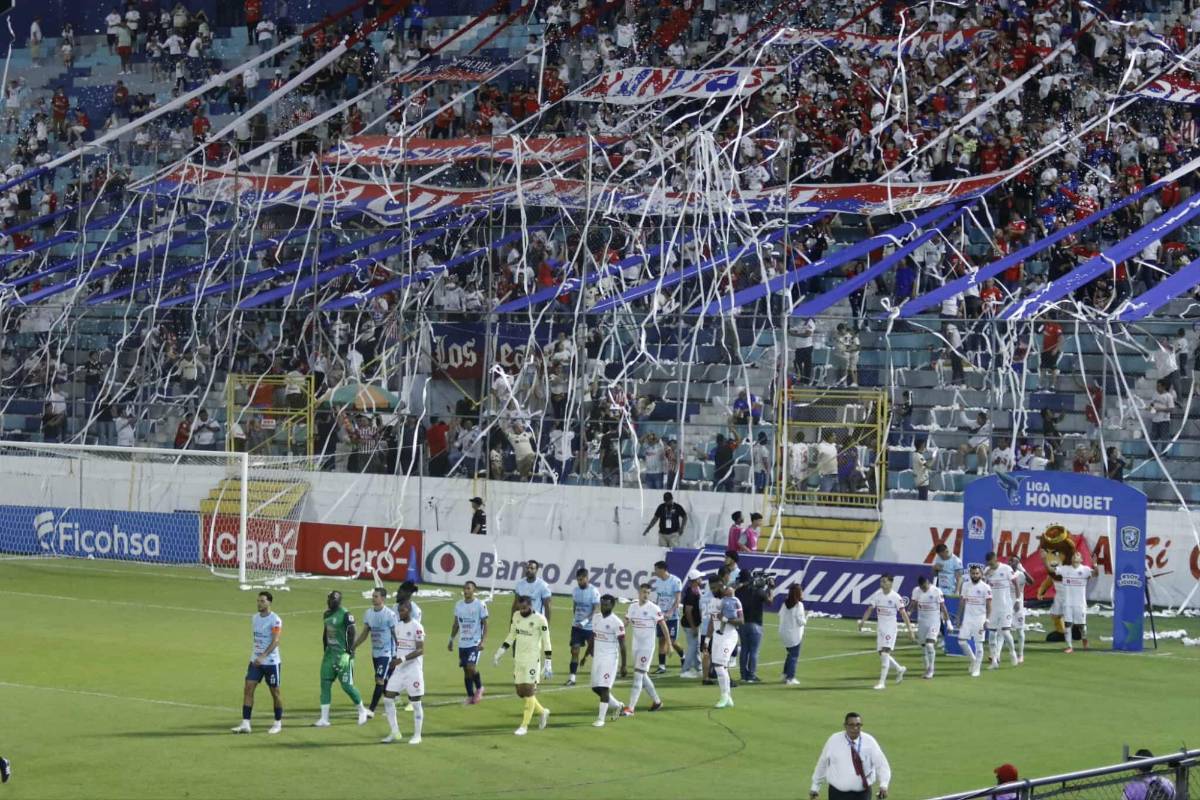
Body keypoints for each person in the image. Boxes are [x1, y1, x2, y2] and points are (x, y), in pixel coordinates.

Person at [492, 594, 553, 736]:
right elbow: (511, 635)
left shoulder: (540, 619)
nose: (522, 610)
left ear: (531, 605)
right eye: (520, 608)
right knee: (521, 692)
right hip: (518, 659)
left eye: (525, 607)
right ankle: (543, 711)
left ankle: (524, 726)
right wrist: (500, 652)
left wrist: (548, 661)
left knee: (529, 690)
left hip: (532, 660)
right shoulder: (516, 616)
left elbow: (547, 640)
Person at [314, 590, 369, 727]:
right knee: (325, 684)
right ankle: (324, 719)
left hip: (344, 656)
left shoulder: (346, 615)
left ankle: (362, 711)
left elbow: (352, 633)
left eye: (333, 599)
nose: (330, 601)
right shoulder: (326, 614)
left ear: (339, 601)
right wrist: (325, 649)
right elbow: (325, 632)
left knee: (347, 686)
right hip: (330, 655)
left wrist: (349, 653)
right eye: (329, 599)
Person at [231, 590, 283, 734]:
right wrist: (257, 657)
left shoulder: (275, 620)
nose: (259, 604)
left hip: (271, 662)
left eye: (262, 601)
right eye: (258, 601)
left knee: (275, 692)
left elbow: (275, 641)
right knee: (248, 688)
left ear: (269, 602)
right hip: (255, 662)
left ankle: (278, 723)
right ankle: (245, 724)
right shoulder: (254, 618)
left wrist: (264, 656)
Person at [810, 712, 892, 799]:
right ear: (845, 726)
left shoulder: (869, 742)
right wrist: (815, 787)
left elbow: (882, 765)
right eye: (851, 725)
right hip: (837, 794)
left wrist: (884, 785)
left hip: (862, 795)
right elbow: (822, 763)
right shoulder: (834, 740)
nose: (855, 728)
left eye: (858, 725)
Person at [578, 594, 629, 726]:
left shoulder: (617, 623)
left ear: (612, 605)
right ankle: (619, 705)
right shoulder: (596, 618)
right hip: (598, 658)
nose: (603, 606)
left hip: (610, 659)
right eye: (602, 604)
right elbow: (593, 639)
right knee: (595, 687)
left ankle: (601, 719)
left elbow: (623, 646)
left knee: (604, 688)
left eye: (606, 604)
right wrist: (585, 656)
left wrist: (624, 666)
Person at [380, 599, 425, 745]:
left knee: (416, 703)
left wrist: (402, 659)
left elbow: (420, 650)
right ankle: (394, 732)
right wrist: (395, 659)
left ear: (409, 611)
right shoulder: (397, 627)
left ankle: (417, 735)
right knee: (388, 698)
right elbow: (399, 646)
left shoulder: (417, 627)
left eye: (403, 610)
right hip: (399, 670)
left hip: (413, 670)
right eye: (399, 610)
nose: (400, 613)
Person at [858, 574, 914, 690]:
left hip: (891, 629)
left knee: (884, 654)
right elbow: (870, 609)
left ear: (891, 583)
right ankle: (899, 669)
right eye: (881, 581)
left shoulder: (896, 597)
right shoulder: (877, 595)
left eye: (884, 581)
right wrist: (862, 622)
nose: (882, 584)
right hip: (881, 629)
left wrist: (910, 630)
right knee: (882, 654)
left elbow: (903, 614)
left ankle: (882, 683)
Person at [352, 587, 397, 720]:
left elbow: (395, 635)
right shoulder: (368, 613)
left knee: (379, 679)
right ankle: (391, 707)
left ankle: (371, 710)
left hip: (387, 652)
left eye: (376, 596)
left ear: (383, 599)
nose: (373, 598)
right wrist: (354, 646)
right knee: (384, 682)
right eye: (373, 596)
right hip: (375, 652)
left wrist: (398, 653)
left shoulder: (390, 615)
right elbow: (365, 633)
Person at [624, 583, 668, 712]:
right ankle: (657, 702)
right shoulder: (632, 607)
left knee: (638, 675)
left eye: (648, 593)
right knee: (643, 675)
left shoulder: (654, 608)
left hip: (647, 647)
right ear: (639, 592)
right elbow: (626, 622)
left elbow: (663, 625)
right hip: (636, 646)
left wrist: (669, 644)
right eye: (644, 592)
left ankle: (630, 708)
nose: (646, 595)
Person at [449, 580, 488, 704]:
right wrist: (451, 640)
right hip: (462, 643)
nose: (466, 591)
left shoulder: (480, 605)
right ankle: (470, 696)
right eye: (464, 588)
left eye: (468, 588)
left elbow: (485, 624)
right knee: (466, 670)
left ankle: (480, 687)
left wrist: (483, 641)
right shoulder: (459, 605)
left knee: (471, 667)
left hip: (474, 642)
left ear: (474, 590)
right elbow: (456, 624)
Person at [1056, 552, 1098, 653]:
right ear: (1071, 559)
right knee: (1068, 624)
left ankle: (1084, 638)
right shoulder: (1065, 569)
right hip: (1067, 602)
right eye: (1074, 554)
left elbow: (1096, 574)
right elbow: (1052, 570)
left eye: (1078, 555)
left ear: (1081, 559)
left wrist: (1095, 564)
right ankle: (1069, 646)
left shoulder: (1085, 570)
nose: (1075, 555)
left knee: (1081, 626)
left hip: (1080, 603)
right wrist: (1047, 560)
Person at [734, 569, 771, 683]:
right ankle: (751, 675)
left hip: (742, 624)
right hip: (756, 624)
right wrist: (770, 589)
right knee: (754, 651)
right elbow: (769, 601)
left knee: (744, 649)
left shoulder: (738, 592)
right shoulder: (758, 591)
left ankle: (743, 675)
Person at [956, 565, 993, 678]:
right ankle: (973, 660)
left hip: (980, 619)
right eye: (973, 573)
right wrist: (959, 616)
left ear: (981, 574)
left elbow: (989, 605)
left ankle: (977, 669)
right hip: (967, 618)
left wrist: (987, 619)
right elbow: (962, 602)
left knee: (978, 644)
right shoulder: (966, 585)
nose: (975, 575)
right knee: (961, 641)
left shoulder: (985, 587)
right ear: (970, 574)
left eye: (977, 573)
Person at [910, 575, 950, 679]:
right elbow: (913, 603)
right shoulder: (916, 591)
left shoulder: (936, 591)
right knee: (923, 647)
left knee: (929, 645)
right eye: (921, 587)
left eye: (924, 587)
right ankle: (927, 668)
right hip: (922, 622)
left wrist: (948, 622)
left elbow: (943, 607)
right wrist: (909, 612)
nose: (923, 589)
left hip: (934, 622)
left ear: (928, 582)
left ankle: (931, 669)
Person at [984, 551, 1019, 668]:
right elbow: (984, 587)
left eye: (992, 563)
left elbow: (1016, 583)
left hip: (1006, 606)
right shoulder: (986, 571)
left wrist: (1018, 600)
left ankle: (1012, 653)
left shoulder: (1006, 569)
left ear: (995, 559)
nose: (990, 565)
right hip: (992, 608)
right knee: (992, 634)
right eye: (988, 563)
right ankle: (994, 660)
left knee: (1005, 631)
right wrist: (986, 576)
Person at [710, 580, 742, 708]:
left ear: (721, 587)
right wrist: (707, 640)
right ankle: (728, 697)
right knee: (722, 667)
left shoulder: (734, 601)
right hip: (717, 636)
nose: (713, 590)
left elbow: (741, 620)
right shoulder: (713, 602)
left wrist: (726, 619)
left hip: (729, 636)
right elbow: (712, 621)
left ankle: (724, 696)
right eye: (711, 587)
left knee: (719, 666)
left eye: (715, 587)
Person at [566, 567, 600, 687]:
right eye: (578, 580)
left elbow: (596, 609)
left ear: (587, 578)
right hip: (576, 627)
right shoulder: (575, 591)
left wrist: (585, 621)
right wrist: (576, 620)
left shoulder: (593, 591)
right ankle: (572, 678)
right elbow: (575, 606)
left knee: (594, 653)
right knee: (574, 651)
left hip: (590, 628)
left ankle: (602, 673)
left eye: (582, 579)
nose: (580, 582)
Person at [650, 560, 685, 672]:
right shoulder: (658, 582)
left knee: (672, 641)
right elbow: (659, 598)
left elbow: (678, 599)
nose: (655, 572)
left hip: (672, 617)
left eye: (656, 569)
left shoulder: (675, 581)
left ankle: (684, 657)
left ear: (662, 569)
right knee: (661, 639)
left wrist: (670, 612)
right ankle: (661, 666)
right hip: (661, 616)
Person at [779, 583, 806, 685]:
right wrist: (806, 618)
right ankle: (790, 677)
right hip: (794, 634)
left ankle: (785, 674)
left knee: (790, 654)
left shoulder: (785, 604)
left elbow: (780, 615)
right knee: (794, 655)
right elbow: (800, 621)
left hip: (784, 632)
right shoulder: (799, 605)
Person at [680, 569, 704, 678]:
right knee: (693, 647)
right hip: (690, 625)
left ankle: (698, 668)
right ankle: (685, 670)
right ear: (695, 580)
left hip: (694, 624)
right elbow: (688, 611)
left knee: (696, 646)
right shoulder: (691, 593)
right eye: (700, 578)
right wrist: (694, 627)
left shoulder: (696, 590)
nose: (701, 579)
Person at [1009, 555, 1030, 663]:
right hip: (1007, 605)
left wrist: (1023, 569)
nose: (1011, 562)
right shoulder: (1006, 573)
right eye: (1010, 560)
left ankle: (1020, 654)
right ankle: (996, 655)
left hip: (1018, 606)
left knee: (1020, 631)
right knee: (1003, 630)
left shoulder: (1021, 574)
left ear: (1019, 563)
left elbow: (1032, 581)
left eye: (1014, 561)